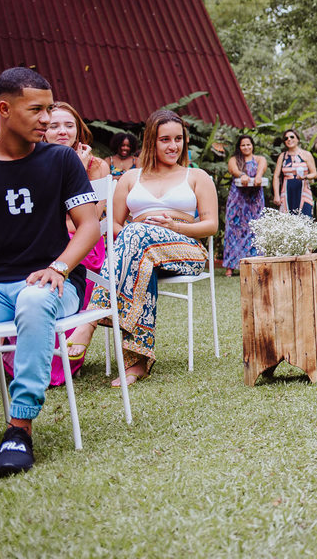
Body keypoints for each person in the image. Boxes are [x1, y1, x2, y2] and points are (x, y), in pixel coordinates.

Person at [0, 68, 99, 476]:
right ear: (4, 109)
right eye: (36, 109)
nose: (47, 119)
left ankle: (19, 429)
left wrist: (60, 266)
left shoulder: (61, 159)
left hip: (55, 282)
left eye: (50, 109)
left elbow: (89, 225)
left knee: (34, 301)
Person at [66, 109, 218, 386]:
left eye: (178, 139)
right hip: (141, 250)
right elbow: (112, 223)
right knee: (139, 252)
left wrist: (174, 227)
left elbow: (210, 226)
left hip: (185, 248)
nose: (173, 146)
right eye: (165, 140)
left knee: (137, 239)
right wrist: (135, 238)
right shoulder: (130, 178)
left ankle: (88, 323)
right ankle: (138, 361)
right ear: (151, 141)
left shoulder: (197, 176)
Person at [3, 101, 111, 387]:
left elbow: (90, 220)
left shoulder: (96, 165)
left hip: (80, 243)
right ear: (43, 131)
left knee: (53, 273)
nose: (62, 131)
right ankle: (15, 354)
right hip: (42, 242)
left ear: (79, 130)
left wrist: (77, 167)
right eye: (54, 126)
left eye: (69, 125)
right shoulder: (30, 161)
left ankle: (65, 356)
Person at [222, 134, 267, 277]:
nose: (246, 147)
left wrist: (258, 176)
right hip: (238, 200)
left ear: (252, 145)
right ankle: (231, 266)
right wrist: (242, 175)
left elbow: (261, 169)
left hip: (255, 200)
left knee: (255, 229)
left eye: (248, 144)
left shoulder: (260, 159)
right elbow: (233, 170)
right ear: (239, 147)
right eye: (243, 145)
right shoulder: (234, 160)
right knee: (234, 230)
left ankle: (257, 262)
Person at [272, 129, 316, 216]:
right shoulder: (282, 156)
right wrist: (276, 195)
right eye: (286, 138)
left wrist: (305, 177)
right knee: (287, 220)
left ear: (298, 139)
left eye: (292, 137)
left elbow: (314, 173)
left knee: (304, 218)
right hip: (287, 191)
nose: (289, 139)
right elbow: (276, 176)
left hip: (303, 190)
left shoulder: (306, 154)